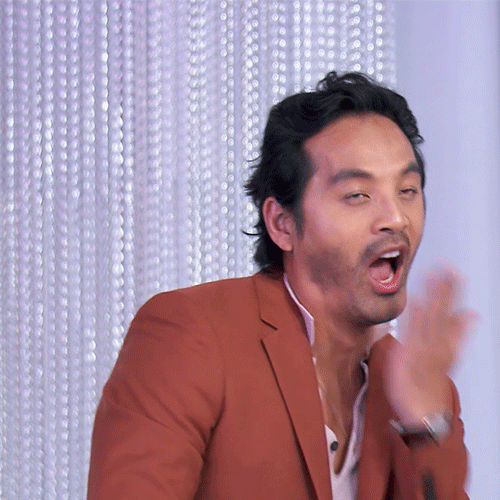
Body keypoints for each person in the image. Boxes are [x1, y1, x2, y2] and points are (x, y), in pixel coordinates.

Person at [87, 72, 474, 500]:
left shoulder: (418, 386)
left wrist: (425, 425)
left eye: (407, 190)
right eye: (358, 195)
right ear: (282, 224)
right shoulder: (190, 337)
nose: (396, 218)